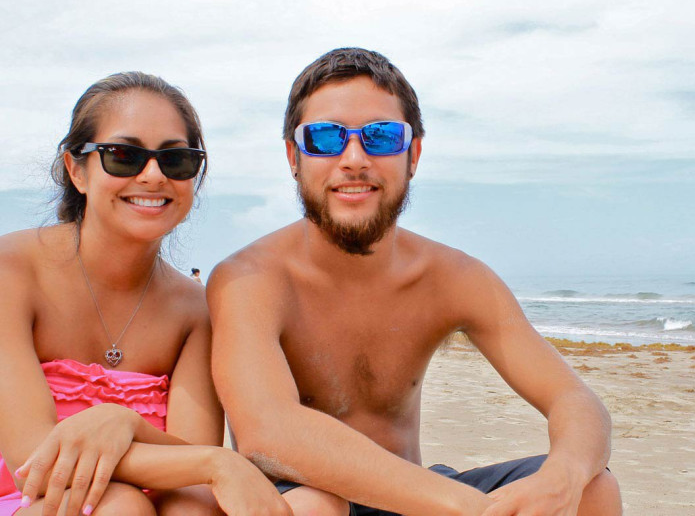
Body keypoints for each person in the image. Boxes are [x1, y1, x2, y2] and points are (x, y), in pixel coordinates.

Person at [209, 48, 622, 515]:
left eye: (381, 136)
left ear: (414, 154)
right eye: (325, 138)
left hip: (423, 499)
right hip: (306, 497)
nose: (354, 158)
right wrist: (466, 506)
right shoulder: (249, 279)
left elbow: (575, 399)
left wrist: (563, 476)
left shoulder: (453, 278)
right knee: (314, 507)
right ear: (293, 156)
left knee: (594, 490)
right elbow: (269, 431)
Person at [0, 72, 291, 516]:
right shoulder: (11, 271)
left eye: (176, 160)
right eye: (123, 155)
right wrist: (217, 462)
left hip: (149, 507)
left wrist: (124, 422)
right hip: (28, 500)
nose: (153, 176)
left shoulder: (195, 310)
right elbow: (35, 456)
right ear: (77, 169)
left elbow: (190, 473)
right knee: (119, 505)